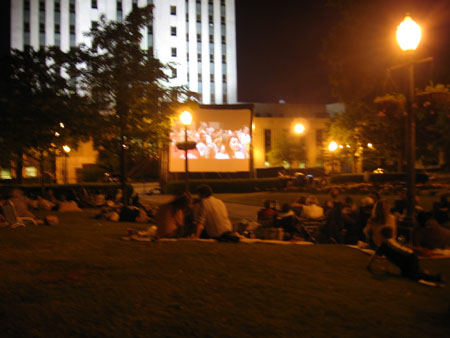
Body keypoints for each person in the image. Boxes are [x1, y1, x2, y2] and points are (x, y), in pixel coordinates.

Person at [367, 226, 444, 284]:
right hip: (411, 255)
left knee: (413, 276)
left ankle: (436, 278)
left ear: (382, 235)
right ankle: (423, 272)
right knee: (406, 274)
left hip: (408, 259)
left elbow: (374, 256)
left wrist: (368, 266)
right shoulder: (393, 241)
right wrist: (387, 269)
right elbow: (391, 256)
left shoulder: (385, 244)